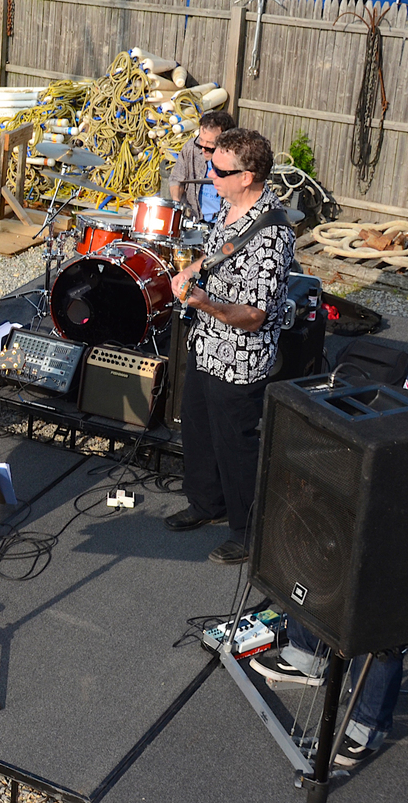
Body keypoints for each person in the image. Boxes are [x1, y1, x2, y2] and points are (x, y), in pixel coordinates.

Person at [250, 362, 408, 769]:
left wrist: (376, 546)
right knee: (312, 546)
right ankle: (307, 654)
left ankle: (367, 726)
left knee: (379, 603)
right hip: (392, 544)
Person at [165, 128, 296, 565]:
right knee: (198, 429)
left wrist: (203, 301)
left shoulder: (274, 235)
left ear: (248, 175)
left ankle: (246, 531)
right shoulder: (230, 204)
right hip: (206, 343)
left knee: (236, 445)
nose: (210, 173)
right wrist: (193, 271)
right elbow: (219, 249)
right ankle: (207, 505)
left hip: (239, 357)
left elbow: (254, 314)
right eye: (212, 164)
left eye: (220, 170)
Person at [168, 109, 235, 223]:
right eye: (201, 141)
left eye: (210, 143)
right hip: (194, 220)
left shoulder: (238, 158)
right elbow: (176, 179)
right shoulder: (191, 148)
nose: (203, 148)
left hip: (225, 223)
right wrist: (177, 203)